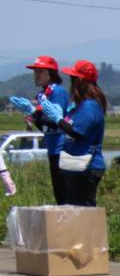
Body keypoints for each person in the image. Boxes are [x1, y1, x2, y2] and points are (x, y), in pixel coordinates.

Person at [39, 60, 107, 207]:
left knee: (83, 209)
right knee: (72, 207)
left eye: (73, 79)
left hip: (87, 166)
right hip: (75, 164)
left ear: (80, 81)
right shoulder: (80, 106)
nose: (71, 83)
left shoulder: (89, 106)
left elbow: (77, 132)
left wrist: (58, 119)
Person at [8, 56, 70, 203]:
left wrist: (34, 113)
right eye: (35, 71)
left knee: (65, 194)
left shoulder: (57, 92)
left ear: (51, 73)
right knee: (58, 193)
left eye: (40, 71)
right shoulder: (42, 94)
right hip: (52, 147)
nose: (36, 75)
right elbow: (44, 127)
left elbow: (56, 122)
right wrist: (33, 116)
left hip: (62, 148)